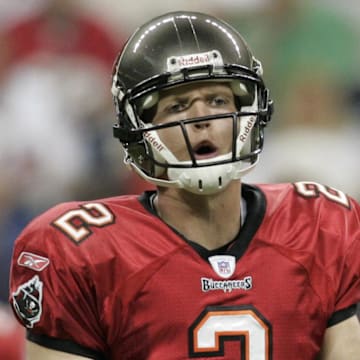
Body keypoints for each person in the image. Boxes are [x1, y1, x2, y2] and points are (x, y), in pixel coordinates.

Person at [8, 10, 360, 360]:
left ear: (251, 112)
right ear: (139, 130)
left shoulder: (319, 225)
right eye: (178, 105)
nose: (202, 120)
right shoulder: (82, 251)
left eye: (218, 101)